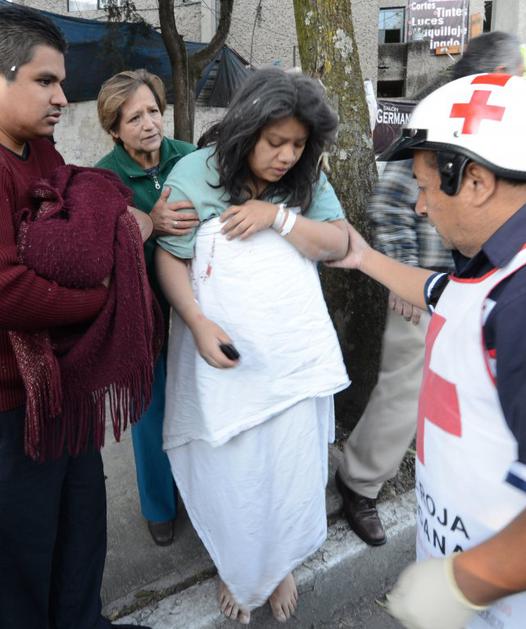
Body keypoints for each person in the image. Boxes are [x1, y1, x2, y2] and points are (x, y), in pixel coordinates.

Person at [329, 72, 526, 628]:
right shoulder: (492, 269)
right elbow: (442, 293)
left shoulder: (520, 303)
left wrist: (462, 584)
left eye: (425, 186)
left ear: (476, 181)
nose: (418, 207)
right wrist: (364, 258)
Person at [155, 67, 350, 624]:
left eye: (298, 144)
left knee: (288, 461)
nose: (287, 156)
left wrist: (278, 217)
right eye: (275, 142)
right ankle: (237, 562)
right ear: (246, 130)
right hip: (223, 355)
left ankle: (279, 561)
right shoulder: (196, 173)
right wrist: (196, 322)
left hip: (290, 357)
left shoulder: (305, 180)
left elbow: (337, 241)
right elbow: (170, 255)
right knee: (233, 466)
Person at [0, 6, 153, 629]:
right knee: (23, 553)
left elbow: (81, 202)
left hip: (65, 390)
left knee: (81, 526)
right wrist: (102, 296)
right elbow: (7, 290)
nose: (63, 98)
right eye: (45, 81)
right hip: (12, 409)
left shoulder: (39, 150)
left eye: (61, 82)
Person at [96, 70, 197, 547]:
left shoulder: (190, 158)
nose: (149, 124)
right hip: (141, 314)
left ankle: (197, 492)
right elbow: (101, 256)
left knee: (196, 403)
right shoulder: (104, 178)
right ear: (114, 129)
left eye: (153, 111)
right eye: (134, 118)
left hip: (194, 306)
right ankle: (159, 506)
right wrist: (148, 224)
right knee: (150, 409)